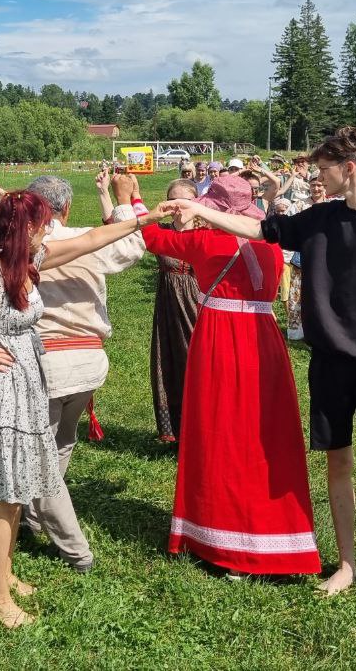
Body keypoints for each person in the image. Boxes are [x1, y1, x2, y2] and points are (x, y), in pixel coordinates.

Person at [163, 127, 356, 616]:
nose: (317, 176)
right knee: (338, 462)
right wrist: (202, 210)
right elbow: (259, 230)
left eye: (323, 169)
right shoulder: (319, 218)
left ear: (348, 168)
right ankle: (348, 564)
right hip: (329, 360)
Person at [0, 190, 165, 628]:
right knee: (6, 498)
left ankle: (7, 573)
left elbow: (92, 239)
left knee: (14, 495)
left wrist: (143, 219)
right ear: (27, 228)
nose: (50, 230)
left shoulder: (28, 263)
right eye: (43, 223)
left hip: (25, 386)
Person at [139, 174, 322, 579]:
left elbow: (154, 239)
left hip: (220, 336)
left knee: (219, 432)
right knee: (265, 437)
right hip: (265, 339)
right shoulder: (271, 244)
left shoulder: (206, 243)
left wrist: (130, 200)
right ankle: (277, 536)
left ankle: (222, 539)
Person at [14, 172, 147, 574]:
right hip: (89, 362)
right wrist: (125, 198)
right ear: (66, 208)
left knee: (40, 454)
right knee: (61, 440)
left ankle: (75, 548)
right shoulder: (87, 237)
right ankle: (31, 518)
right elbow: (135, 245)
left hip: (47, 361)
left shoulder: (20, 246)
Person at [149, 178, 201, 441]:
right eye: (173, 201)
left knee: (198, 362)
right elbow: (122, 228)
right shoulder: (161, 231)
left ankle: (202, 428)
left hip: (197, 302)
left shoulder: (206, 232)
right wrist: (104, 193)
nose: (179, 207)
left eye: (185, 201)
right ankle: (176, 430)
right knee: (170, 360)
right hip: (168, 303)